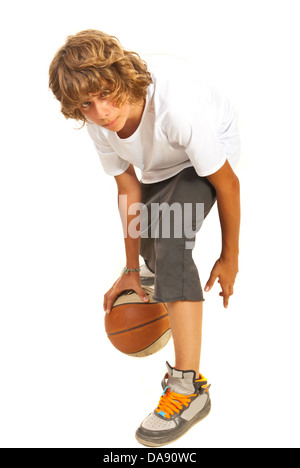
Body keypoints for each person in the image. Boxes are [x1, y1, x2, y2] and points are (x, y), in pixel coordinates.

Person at [49, 29, 241, 447]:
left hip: (203, 155)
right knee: (154, 246)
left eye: (104, 93)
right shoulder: (99, 123)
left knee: (172, 238)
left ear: (120, 76)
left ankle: (189, 390)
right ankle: (158, 273)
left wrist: (230, 257)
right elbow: (129, 191)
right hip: (160, 164)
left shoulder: (175, 107)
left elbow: (228, 184)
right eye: (85, 104)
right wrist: (132, 270)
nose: (100, 111)